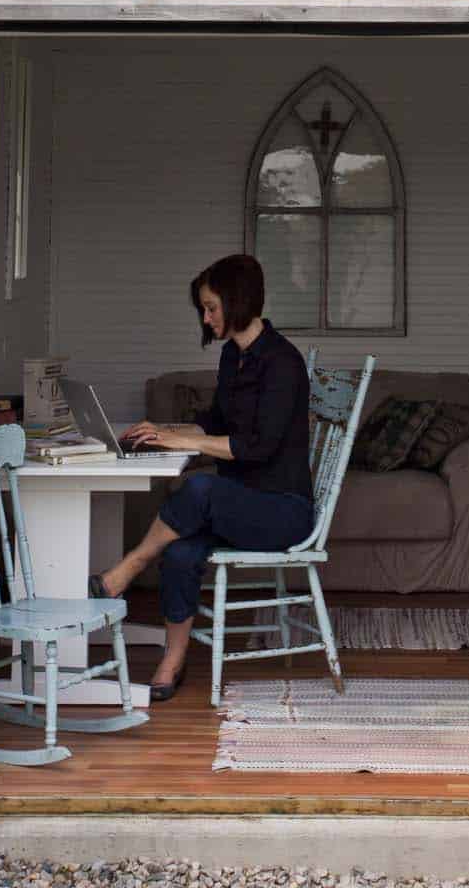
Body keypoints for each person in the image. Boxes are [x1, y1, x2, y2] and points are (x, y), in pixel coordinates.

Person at [88, 253, 314, 702]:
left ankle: (128, 567)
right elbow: (214, 422)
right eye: (204, 309)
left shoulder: (282, 364)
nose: (206, 318)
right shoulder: (235, 357)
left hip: (283, 509)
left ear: (238, 301)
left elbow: (257, 447)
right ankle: (172, 661)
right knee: (179, 549)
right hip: (241, 502)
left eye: (211, 307)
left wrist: (179, 443)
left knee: (198, 487)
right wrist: (163, 432)